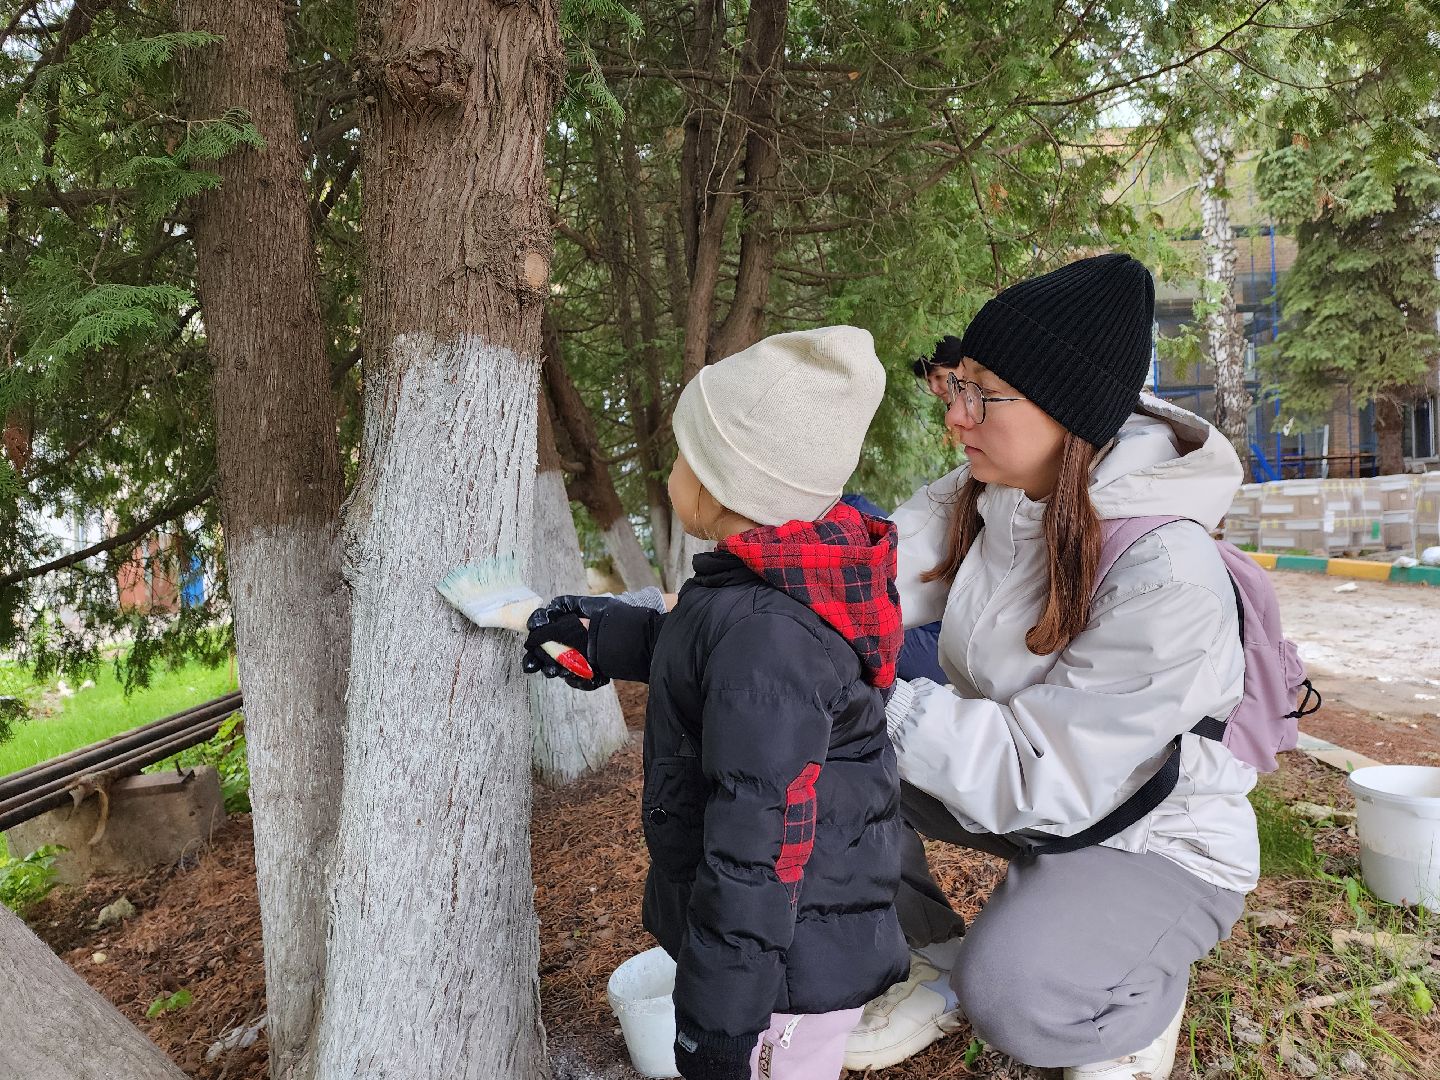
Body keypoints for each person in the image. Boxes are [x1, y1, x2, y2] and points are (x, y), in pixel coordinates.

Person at [842, 253, 1253, 1080]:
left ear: (1069, 413)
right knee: (808, 745)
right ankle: (930, 948)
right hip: (1034, 795)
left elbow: (1048, 772)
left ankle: (1128, 1002)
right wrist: (738, 606)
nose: (955, 417)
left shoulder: (1167, 576)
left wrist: (869, 701)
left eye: (983, 394)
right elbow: (867, 575)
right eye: (952, 383)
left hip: (1146, 834)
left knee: (1016, 996)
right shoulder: (993, 491)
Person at [524, 326, 909, 1080]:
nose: (671, 474)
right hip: (780, 948)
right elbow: (700, 645)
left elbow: (757, 843)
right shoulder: (768, 587)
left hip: (783, 974)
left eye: (681, 457)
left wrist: (717, 1025)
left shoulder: (768, 636)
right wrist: (603, 636)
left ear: (725, 485)